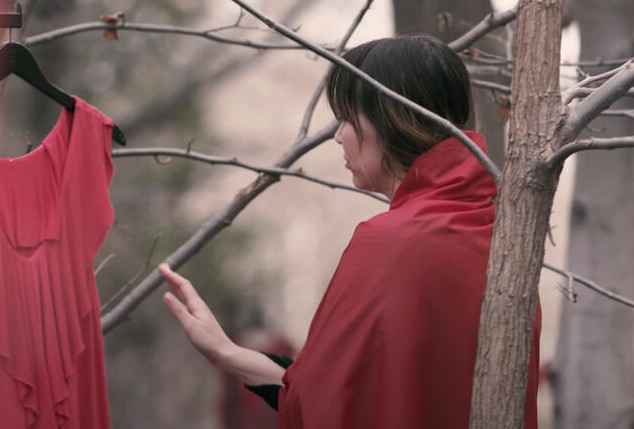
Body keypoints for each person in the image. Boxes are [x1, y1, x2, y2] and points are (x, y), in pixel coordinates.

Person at [158, 34, 542, 428]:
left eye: (346, 119)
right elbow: (335, 390)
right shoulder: (497, 231)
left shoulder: (393, 243)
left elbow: (325, 406)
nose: (338, 135)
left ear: (390, 120)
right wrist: (226, 352)